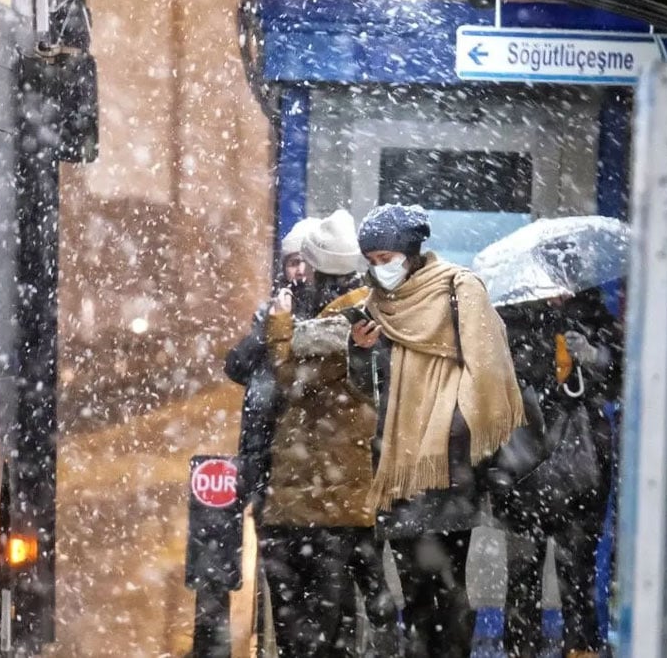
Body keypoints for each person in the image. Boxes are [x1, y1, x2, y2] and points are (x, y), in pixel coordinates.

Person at [347, 203, 525, 658]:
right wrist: (360, 352)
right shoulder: (375, 306)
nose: (378, 268)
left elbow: (488, 374)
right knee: (413, 592)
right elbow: (366, 390)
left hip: (449, 469)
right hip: (399, 466)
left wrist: (449, 427)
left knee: (448, 590)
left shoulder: (459, 290)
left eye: (385, 258)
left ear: (409, 251)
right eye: (371, 260)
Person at [257, 209, 399, 656]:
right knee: (327, 625)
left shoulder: (347, 318)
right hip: (328, 498)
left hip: (320, 500)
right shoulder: (362, 310)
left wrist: (279, 324)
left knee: (309, 628)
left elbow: (289, 373)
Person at [498, 287, 622, 658]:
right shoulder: (511, 315)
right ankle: (522, 651)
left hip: (583, 468)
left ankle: (580, 649)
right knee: (522, 579)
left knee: (579, 575)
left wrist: (592, 354)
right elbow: (504, 378)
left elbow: (618, 373)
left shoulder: (591, 314)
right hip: (525, 467)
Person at [225, 216, 319, 518]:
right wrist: (272, 323)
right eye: (293, 262)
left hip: (308, 453)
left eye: (307, 262)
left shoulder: (330, 315)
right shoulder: (270, 312)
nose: (300, 270)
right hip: (267, 451)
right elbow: (236, 365)